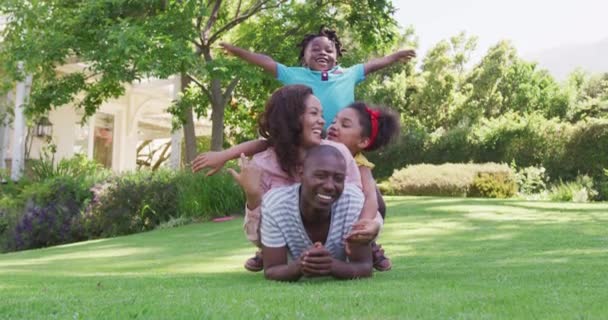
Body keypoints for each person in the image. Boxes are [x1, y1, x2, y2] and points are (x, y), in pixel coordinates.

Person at [193, 85, 381, 272]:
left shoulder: (337, 154)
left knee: (369, 198)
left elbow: (356, 203)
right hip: (289, 254)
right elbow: (257, 237)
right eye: (314, 114)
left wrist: (371, 228)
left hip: (342, 247)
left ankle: (371, 249)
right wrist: (253, 196)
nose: (322, 121)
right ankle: (266, 256)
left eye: (321, 115)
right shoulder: (263, 165)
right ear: (291, 117)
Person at [220, 27, 415, 127]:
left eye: (329, 50)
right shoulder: (293, 74)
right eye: (315, 49)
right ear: (303, 56)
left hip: (342, 139)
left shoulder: (349, 73)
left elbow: (373, 64)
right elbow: (265, 61)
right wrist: (237, 51)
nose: (322, 53)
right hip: (306, 140)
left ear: (337, 55)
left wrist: (395, 57)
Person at [257, 144, 372, 281]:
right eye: (320, 176)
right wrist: (300, 266)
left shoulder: (352, 200)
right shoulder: (275, 203)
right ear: (301, 173)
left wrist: (332, 266)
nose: (329, 186)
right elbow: (272, 270)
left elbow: (365, 266)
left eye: (338, 178)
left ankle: (374, 248)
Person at [327, 102, 401, 271]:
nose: (334, 126)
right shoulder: (317, 152)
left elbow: (370, 197)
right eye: (334, 121)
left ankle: (368, 244)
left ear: (363, 141)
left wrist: (363, 225)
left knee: (367, 215)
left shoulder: (360, 165)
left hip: (351, 215)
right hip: (323, 210)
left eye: (344, 125)